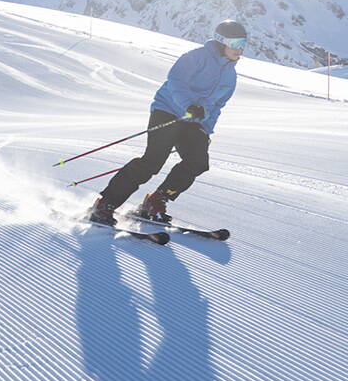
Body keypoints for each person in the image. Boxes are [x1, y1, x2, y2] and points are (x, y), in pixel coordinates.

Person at [89, 20, 246, 226]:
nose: (240, 48)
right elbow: (176, 81)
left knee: (198, 162)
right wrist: (189, 105)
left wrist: (205, 130)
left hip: (194, 121)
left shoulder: (230, 75)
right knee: (152, 162)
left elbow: (217, 106)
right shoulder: (196, 57)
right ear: (220, 41)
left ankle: (156, 200)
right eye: (235, 43)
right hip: (167, 111)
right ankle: (105, 204)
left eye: (243, 43)